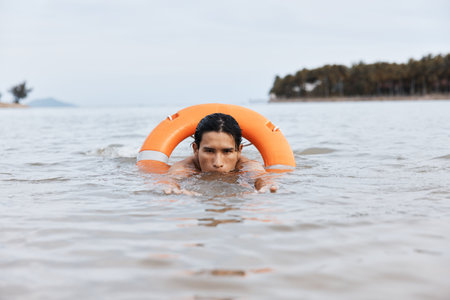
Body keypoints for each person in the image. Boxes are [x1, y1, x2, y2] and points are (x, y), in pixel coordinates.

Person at [163, 113, 278, 195]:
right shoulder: (185, 167)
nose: (218, 163)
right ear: (195, 149)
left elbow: (259, 177)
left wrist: (265, 186)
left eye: (227, 151)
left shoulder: (246, 166)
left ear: (239, 150)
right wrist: (172, 189)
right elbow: (173, 179)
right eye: (209, 151)